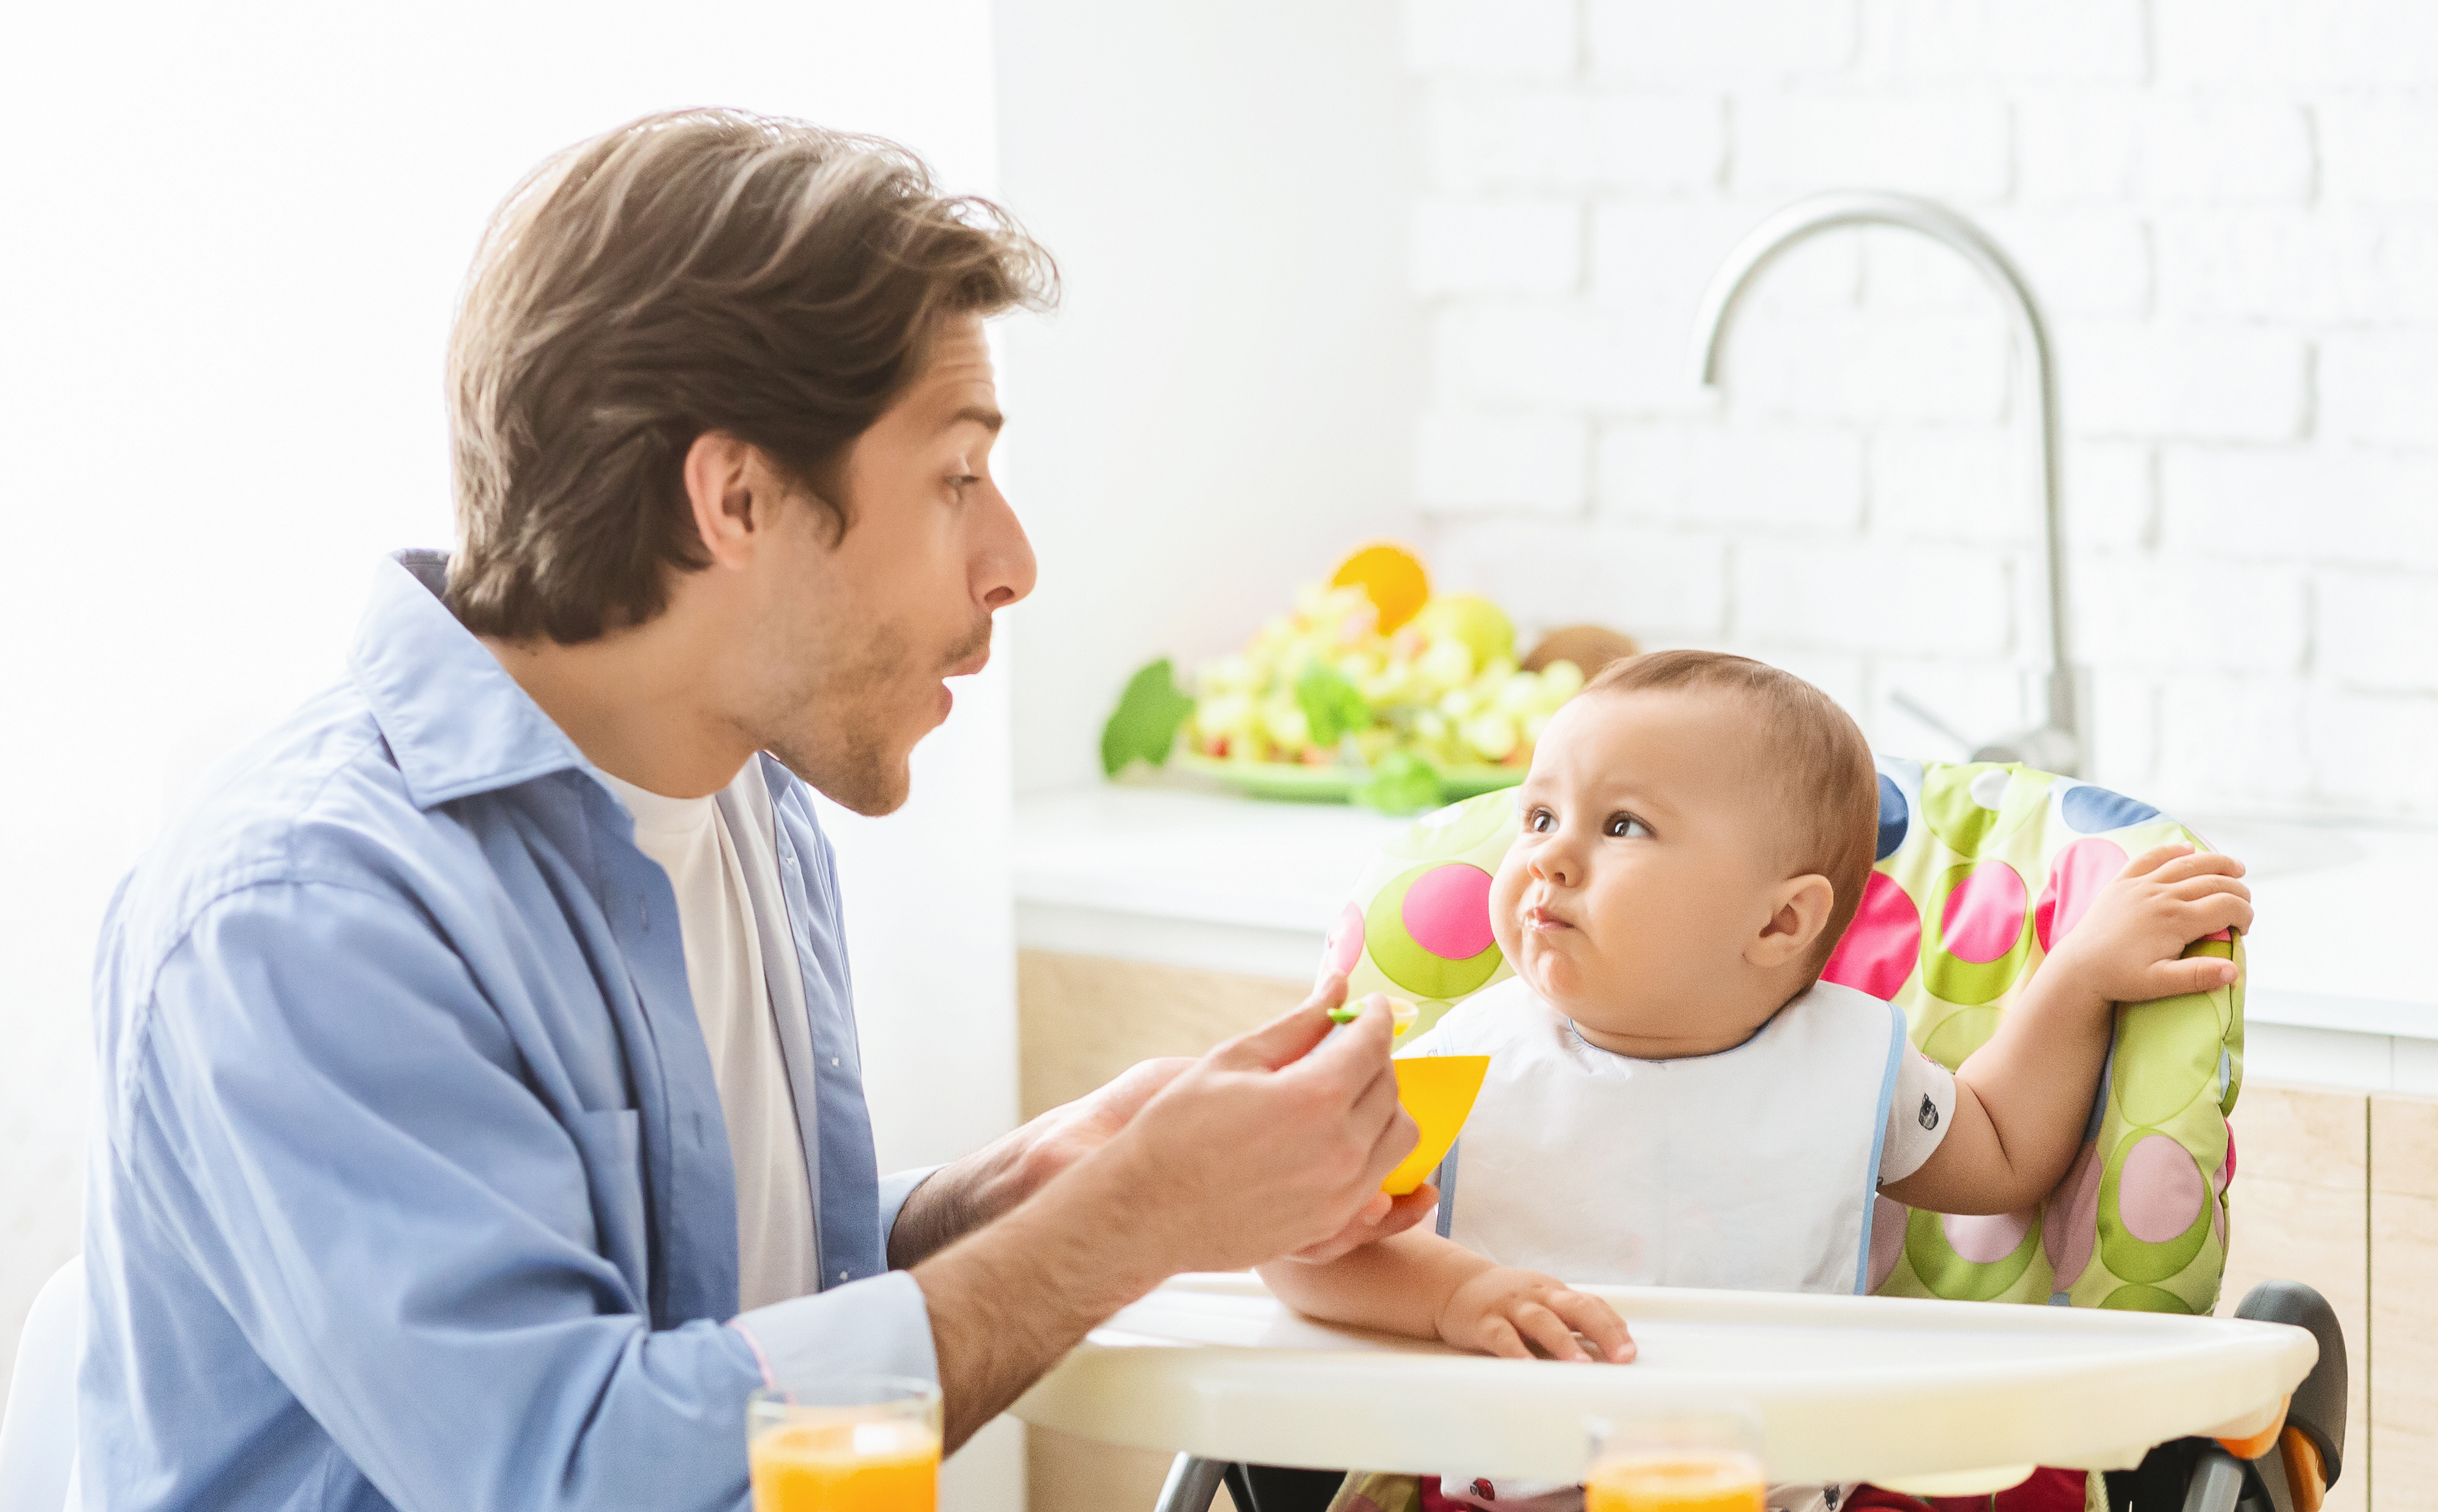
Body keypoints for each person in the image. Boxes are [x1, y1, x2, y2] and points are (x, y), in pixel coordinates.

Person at [80, 108, 1435, 1512]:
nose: (1013, 560)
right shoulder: (306, 917)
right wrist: (1127, 1219)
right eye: (956, 476)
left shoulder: (742, 801)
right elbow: (583, 1471)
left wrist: (1021, 1191)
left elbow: (713, 1319)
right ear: (734, 498)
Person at [1259, 650, 2253, 1512]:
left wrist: (2075, 976)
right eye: (1539, 815)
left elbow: (1998, 1153)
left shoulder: (1852, 1065)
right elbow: (1296, 1244)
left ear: (1780, 923)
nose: (1550, 855)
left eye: (1624, 828)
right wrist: (1450, 1299)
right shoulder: (1455, 1062)